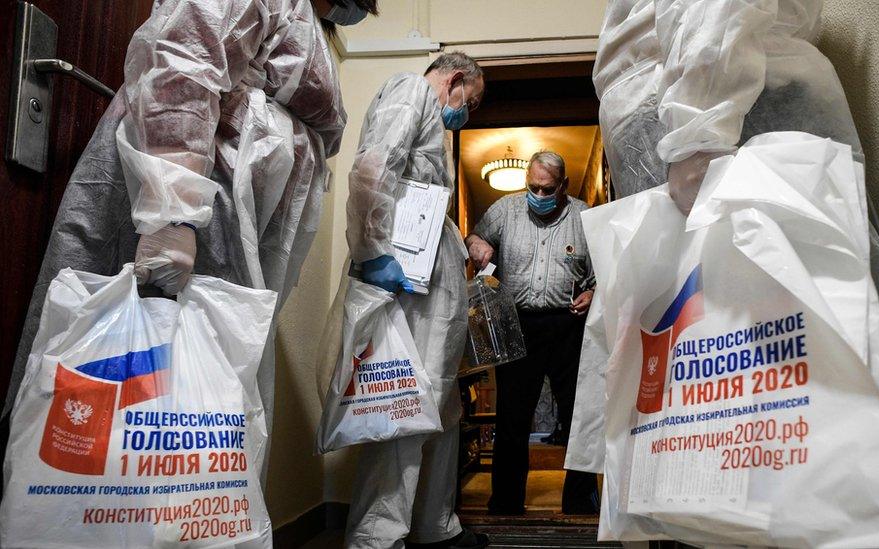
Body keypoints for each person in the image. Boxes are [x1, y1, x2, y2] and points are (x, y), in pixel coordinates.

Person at [2, 0, 377, 461]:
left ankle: (186, 519)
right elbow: (186, 56)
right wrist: (172, 213)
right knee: (127, 377)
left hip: (229, 222)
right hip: (194, 203)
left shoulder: (304, 17)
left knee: (193, 398)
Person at [591, 0, 879, 404]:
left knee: (774, 347)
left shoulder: (700, 109)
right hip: (700, 94)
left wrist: (697, 133)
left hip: (718, 99)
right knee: (721, 354)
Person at [343, 52, 489, 549]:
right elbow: (372, 168)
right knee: (405, 399)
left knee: (441, 405)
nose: (467, 112)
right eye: (471, 100)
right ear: (456, 79)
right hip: (407, 281)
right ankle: (377, 536)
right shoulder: (412, 90)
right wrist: (370, 250)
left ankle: (434, 524)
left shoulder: (435, 122)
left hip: (433, 283)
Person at [466, 151, 600, 516]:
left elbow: (607, 269)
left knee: (577, 414)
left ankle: (580, 502)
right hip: (518, 322)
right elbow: (473, 236)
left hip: (568, 324)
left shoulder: (586, 216)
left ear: (564, 186)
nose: (538, 196)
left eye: (547, 189)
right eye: (533, 188)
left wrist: (593, 292)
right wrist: (478, 245)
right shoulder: (505, 209)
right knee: (512, 416)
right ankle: (506, 503)